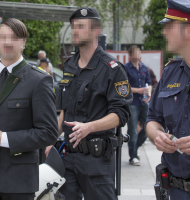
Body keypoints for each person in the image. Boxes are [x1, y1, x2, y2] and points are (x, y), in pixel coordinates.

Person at [45, 7, 133, 200]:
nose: (75, 31)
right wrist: (50, 140)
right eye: (74, 27)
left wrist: (89, 127)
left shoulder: (112, 68)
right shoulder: (69, 64)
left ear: (95, 31)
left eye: (81, 27)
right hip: (68, 158)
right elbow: (64, 111)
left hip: (97, 160)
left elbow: (121, 114)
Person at [0, 18, 58, 200]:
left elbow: (48, 132)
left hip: (18, 182)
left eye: (14, 38)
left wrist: (4, 138)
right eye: (3, 37)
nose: (7, 42)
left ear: (23, 42)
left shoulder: (38, 80)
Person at [145, 0, 190, 199]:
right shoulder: (171, 72)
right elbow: (153, 118)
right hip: (176, 188)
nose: (164, 32)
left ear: (187, 30)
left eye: (170, 26)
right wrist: (157, 135)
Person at [124, 45, 152, 166]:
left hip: (143, 102)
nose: (138, 54)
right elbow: (124, 87)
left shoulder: (144, 67)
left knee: (148, 126)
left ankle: (136, 147)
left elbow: (149, 83)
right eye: (135, 52)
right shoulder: (126, 68)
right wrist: (138, 90)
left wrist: (149, 93)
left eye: (139, 52)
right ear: (130, 55)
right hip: (132, 103)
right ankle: (133, 156)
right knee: (132, 131)